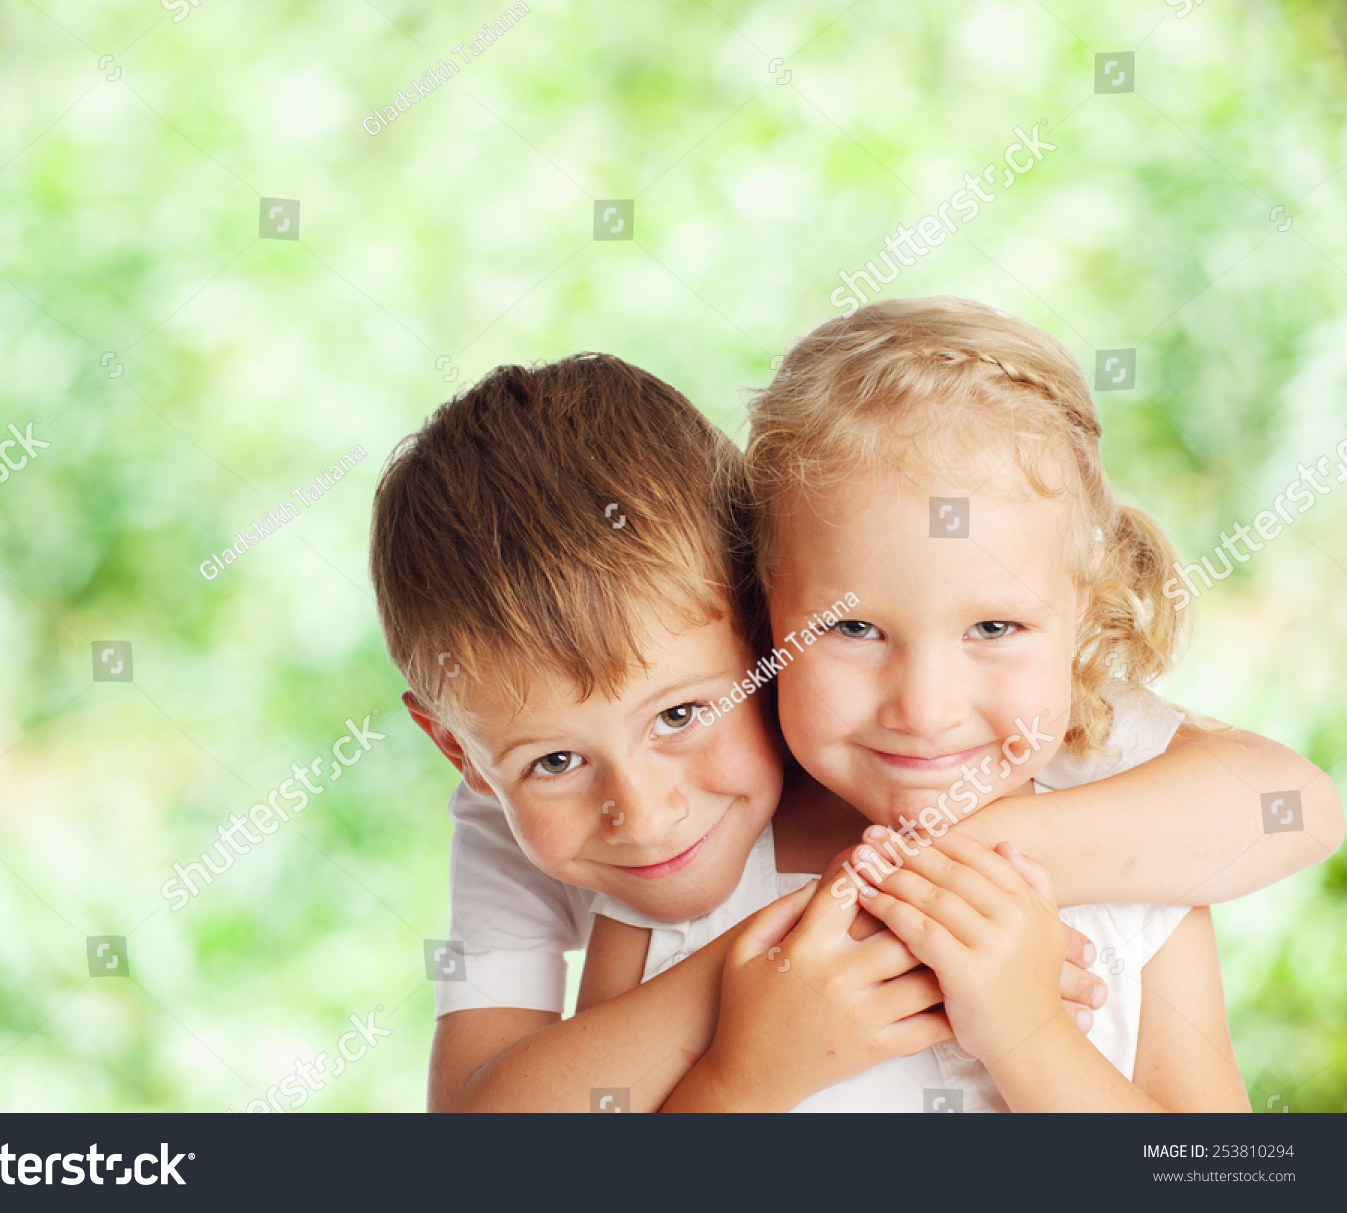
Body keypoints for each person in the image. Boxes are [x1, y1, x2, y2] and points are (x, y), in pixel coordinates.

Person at [367, 347, 1342, 1111]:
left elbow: (1291, 808)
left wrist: (955, 938)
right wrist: (750, 1050)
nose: (646, 809)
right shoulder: (640, 894)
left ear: (767, 621)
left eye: (680, 713)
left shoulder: (1069, 775)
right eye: (556, 760)